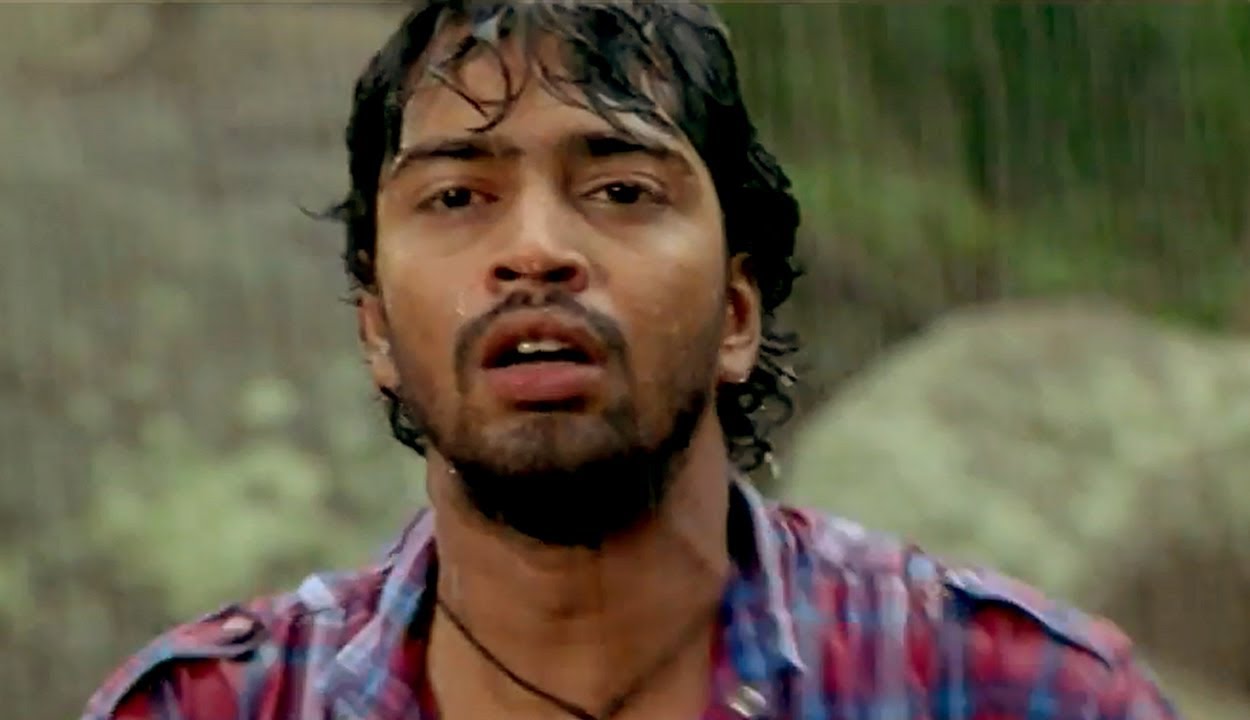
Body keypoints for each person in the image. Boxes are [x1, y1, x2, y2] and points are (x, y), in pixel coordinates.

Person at [82, 2, 1181, 718]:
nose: (535, 251)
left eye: (620, 189)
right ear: (375, 329)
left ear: (737, 312)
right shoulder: (214, 708)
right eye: (457, 196)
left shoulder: (1005, 692)